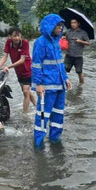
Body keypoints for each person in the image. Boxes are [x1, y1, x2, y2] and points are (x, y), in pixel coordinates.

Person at [32, 14, 72, 147]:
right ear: (50, 26)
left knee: (58, 114)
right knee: (43, 115)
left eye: (61, 26)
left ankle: (55, 139)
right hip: (47, 86)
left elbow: (59, 63)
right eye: (58, 26)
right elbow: (37, 65)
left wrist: (66, 79)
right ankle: (38, 143)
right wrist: (39, 84)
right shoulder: (41, 42)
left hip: (60, 85)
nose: (61, 28)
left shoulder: (56, 42)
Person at [0, 27, 36, 113]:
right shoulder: (8, 42)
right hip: (18, 71)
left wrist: (8, 67)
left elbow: (22, 60)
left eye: (18, 36)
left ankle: (25, 114)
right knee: (26, 92)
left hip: (28, 69)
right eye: (14, 36)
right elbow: (5, 56)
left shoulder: (25, 43)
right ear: (10, 36)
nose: (17, 38)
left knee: (25, 91)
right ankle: (38, 106)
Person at [64, 18, 90, 85]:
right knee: (63, 70)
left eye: (74, 23)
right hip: (68, 55)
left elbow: (88, 43)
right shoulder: (68, 32)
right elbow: (64, 40)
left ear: (78, 24)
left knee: (79, 71)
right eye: (71, 23)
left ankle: (81, 86)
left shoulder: (83, 33)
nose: (73, 24)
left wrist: (80, 41)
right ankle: (64, 84)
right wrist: (63, 39)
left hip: (78, 56)